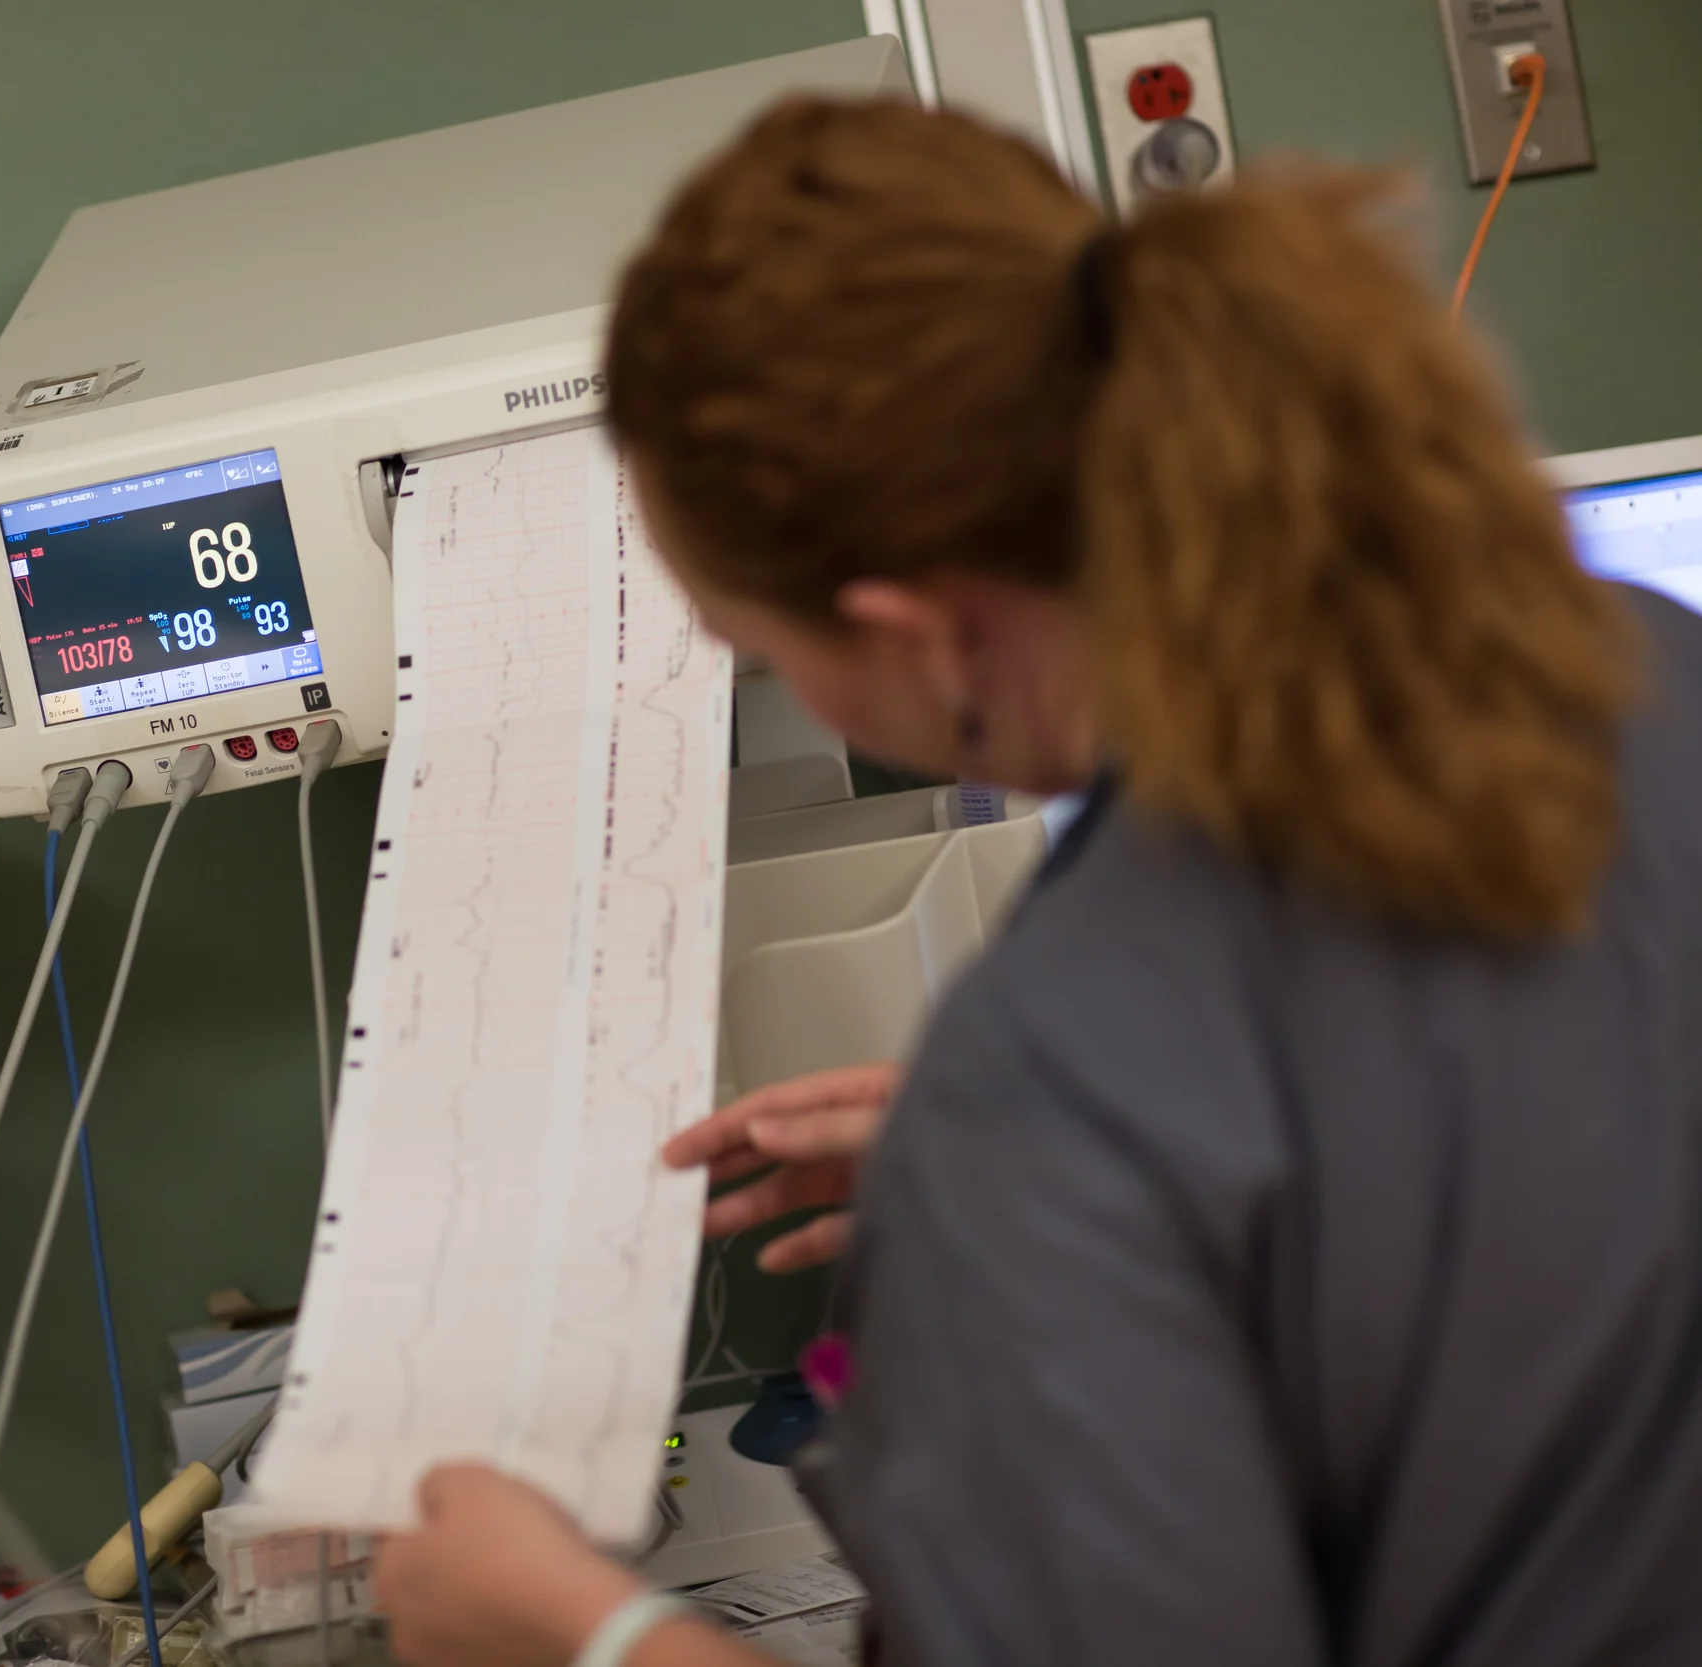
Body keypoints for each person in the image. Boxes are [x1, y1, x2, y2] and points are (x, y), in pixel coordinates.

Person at [373, 95, 1702, 1667]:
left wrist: (582, 1627)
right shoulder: (1644, 666)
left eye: (753, 643)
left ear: (923, 632)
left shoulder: (1055, 1084)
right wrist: (1124, 1191)